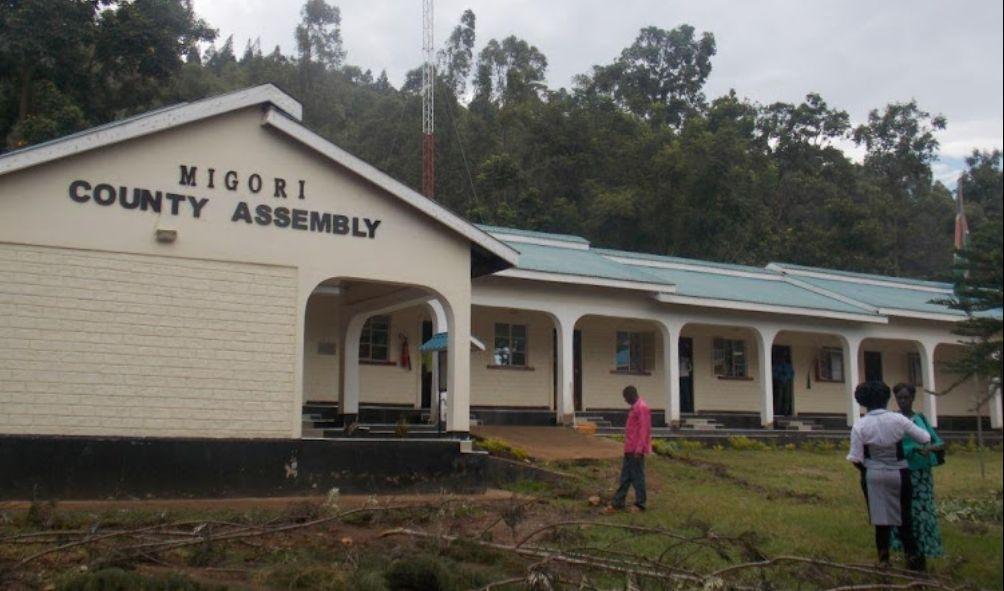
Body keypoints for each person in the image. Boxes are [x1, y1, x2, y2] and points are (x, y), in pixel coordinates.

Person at [847, 381, 931, 570]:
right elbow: (925, 438)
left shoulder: (860, 425)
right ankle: (913, 560)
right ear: (886, 399)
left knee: (880, 520)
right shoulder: (898, 420)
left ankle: (884, 560)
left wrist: (869, 469)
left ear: (863, 401)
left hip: (873, 474)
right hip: (899, 472)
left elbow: (855, 458)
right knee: (904, 518)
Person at [889, 382, 944, 568]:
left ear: (913, 398)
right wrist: (913, 448)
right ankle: (909, 553)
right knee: (906, 513)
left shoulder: (920, 418)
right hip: (903, 472)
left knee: (923, 512)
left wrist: (930, 448)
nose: (903, 401)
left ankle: (922, 553)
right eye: (900, 398)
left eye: (906, 397)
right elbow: (892, 446)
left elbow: (936, 441)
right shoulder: (893, 420)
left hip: (922, 475)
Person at [603, 386, 652, 513]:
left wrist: (639, 449)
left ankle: (641, 503)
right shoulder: (634, 408)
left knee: (637, 477)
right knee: (625, 476)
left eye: (626, 397)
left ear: (631, 395)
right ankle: (618, 501)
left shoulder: (641, 408)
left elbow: (644, 430)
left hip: (636, 450)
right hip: (629, 448)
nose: (625, 400)